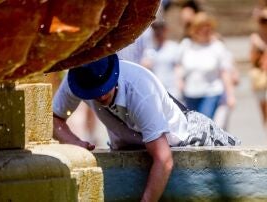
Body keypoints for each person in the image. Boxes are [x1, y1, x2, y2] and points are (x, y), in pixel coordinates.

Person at [52, 54, 240, 201]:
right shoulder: (77, 81)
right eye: (93, 93)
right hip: (133, 144)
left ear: (113, 75)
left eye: (104, 89)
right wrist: (75, 143)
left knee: (238, 165)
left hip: (189, 137)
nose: (100, 97)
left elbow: (164, 160)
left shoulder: (140, 90)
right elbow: (54, 118)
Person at [176, 12, 236, 119]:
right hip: (190, 92)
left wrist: (230, 95)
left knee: (205, 121)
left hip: (211, 92)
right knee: (191, 123)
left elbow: (225, 72)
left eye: (207, 27)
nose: (204, 30)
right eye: (201, 27)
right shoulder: (186, 45)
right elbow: (179, 65)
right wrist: (179, 80)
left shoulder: (217, 46)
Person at [140, 21, 181, 99]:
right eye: (155, 29)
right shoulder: (149, 50)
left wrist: (179, 82)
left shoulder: (174, 47)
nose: (158, 32)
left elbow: (178, 67)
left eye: (161, 29)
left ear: (166, 30)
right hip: (156, 90)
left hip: (172, 89)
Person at [249, 7, 267, 126]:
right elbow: (252, 58)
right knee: (262, 105)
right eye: (263, 21)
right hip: (260, 75)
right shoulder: (255, 37)